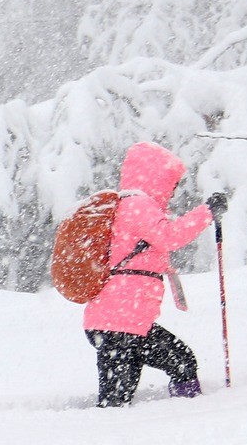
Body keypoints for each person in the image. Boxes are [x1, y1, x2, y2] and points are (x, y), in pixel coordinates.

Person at [83, 143, 215, 407]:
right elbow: (170, 237)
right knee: (117, 400)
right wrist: (207, 212)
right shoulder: (137, 205)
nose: (174, 190)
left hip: (122, 322)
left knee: (181, 362)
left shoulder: (132, 207)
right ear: (156, 176)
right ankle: (190, 414)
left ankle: (188, 413)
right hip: (118, 323)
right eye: (172, 182)